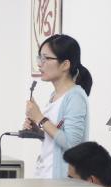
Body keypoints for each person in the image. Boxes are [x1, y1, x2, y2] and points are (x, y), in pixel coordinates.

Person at [24, 34, 92, 179]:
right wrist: (38, 130)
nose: (40, 64)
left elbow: (72, 144)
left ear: (65, 65)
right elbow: (56, 139)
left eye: (45, 58)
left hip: (62, 183)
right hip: (45, 175)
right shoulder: (54, 95)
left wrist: (40, 119)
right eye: (39, 58)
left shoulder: (76, 97)